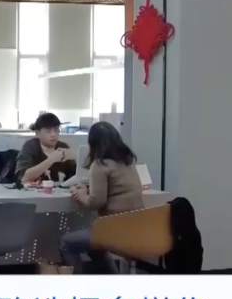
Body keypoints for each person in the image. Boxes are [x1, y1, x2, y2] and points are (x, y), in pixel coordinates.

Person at [59, 121, 144, 274]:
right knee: (95, 248)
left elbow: (95, 202)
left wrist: (82, 194)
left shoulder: (100, 165)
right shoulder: (127, 162)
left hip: (114, 230)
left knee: (66, 242)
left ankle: (76, 285)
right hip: (137, 228)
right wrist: (89, 190)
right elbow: (115, 189)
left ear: (93, 144)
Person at [15, 113, 76, 184]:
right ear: (37, 133)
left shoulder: (63, 147)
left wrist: (76, 157)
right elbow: (24, 178)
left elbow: (77, 177)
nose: (53, 135)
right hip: (34, 190)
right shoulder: (30, 147)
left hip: (59, 190)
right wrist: (51, 159)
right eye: (48, 131)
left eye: (56, 130)